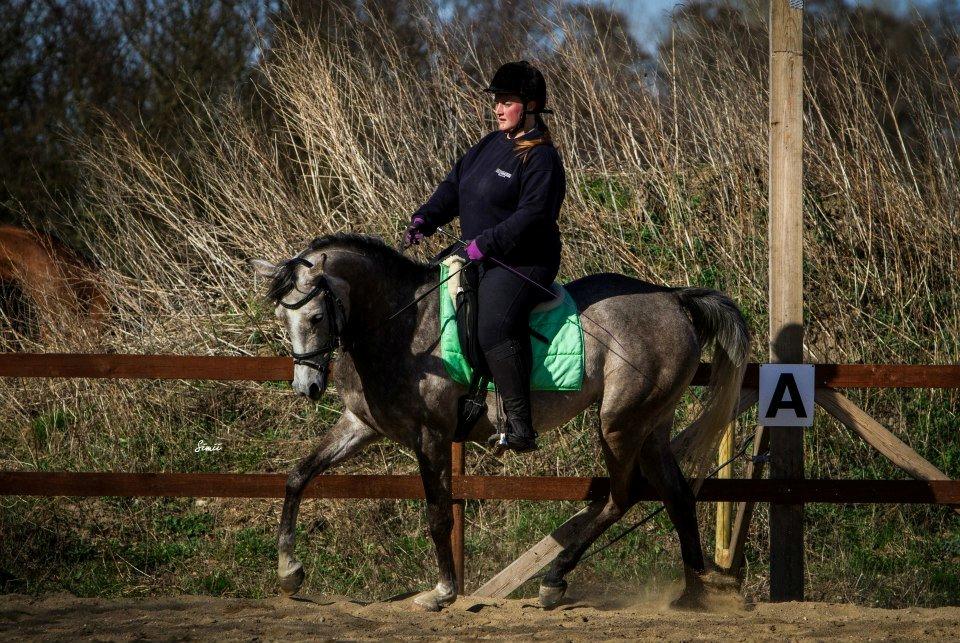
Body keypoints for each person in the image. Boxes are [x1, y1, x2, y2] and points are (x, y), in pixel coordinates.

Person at [404, 60, 566, 453]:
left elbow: (533, 217)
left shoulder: (541, 158)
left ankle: (521, 426)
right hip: (481, 256)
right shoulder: (489, 146)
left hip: (524, 262)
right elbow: (454, 186)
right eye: (496, 101)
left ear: (530, 106)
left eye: (506, 101)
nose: (497, 109)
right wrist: (427, 216)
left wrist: (486, 244)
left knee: (493, 323)